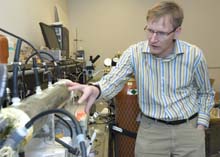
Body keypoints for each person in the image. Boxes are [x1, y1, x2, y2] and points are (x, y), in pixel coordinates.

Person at [67, 1, 215, 157]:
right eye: (150, 30)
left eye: (161, 33)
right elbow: (112, 80)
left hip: (188, 131)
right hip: (151, 132)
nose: (153, 39)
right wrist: (95, 89)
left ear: (177, 32)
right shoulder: (134, 53)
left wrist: (201, 124)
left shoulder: (194, 55)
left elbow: (206, 93)